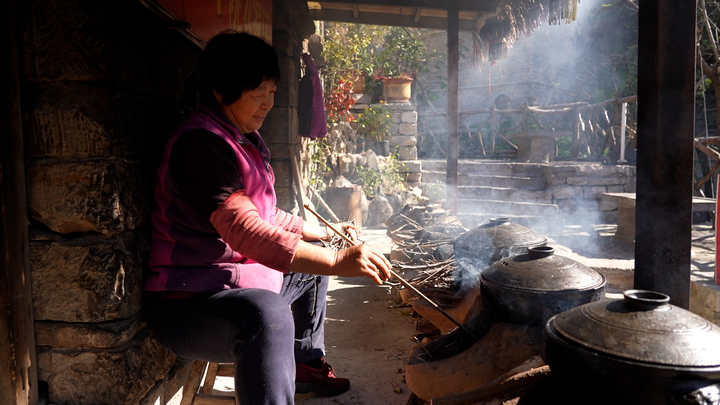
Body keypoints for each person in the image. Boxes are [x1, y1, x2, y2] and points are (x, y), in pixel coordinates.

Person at [143, 31, 392, 405]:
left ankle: (304, 361)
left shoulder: (244, 140)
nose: (267, 103)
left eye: (272, 91)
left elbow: (267, 214)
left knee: (313, 261)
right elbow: (245, 229)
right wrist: (339, 261)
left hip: (235, 282)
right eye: (256, 91)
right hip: (189, 301)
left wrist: (325, 234)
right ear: (220, 91)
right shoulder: (200, 145)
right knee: (266, 314)